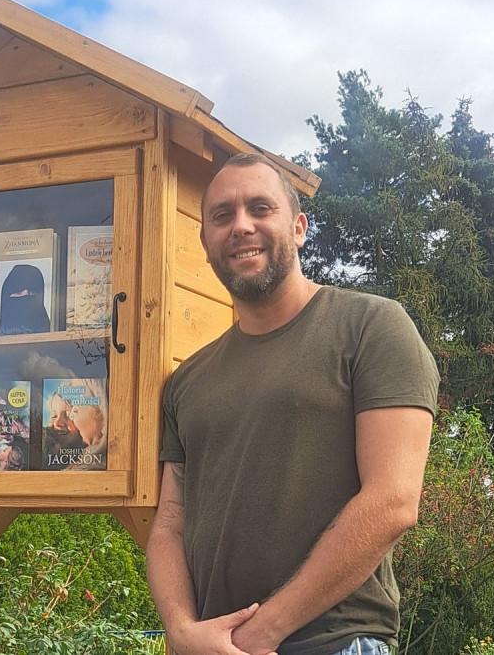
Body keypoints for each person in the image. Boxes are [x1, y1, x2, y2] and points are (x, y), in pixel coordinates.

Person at [146, 153, 439, 655]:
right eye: (222, 215)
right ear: (205, 241)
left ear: (299, 227)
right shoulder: (186, 381)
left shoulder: (371, 328)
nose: (241, 226)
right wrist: (180, 630)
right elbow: (170, 520)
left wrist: (262, 634)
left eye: (260, 208)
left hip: (335, 641)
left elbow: (392, 502)